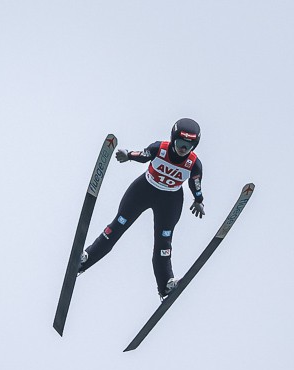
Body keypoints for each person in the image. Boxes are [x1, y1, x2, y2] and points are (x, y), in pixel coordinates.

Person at [77, 118, 205, 299]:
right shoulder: (160, 148)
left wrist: (199, 200)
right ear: (173, 139)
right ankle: (85, 260)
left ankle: (165, 285)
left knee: (163, 243)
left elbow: (195, 184)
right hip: (143, 191)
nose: (183, 149)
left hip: (170, 201)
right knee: (118, 226)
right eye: (180, 143)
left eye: (188, 146)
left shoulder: (194, 164)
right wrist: (128, 155)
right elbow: (144, 155)